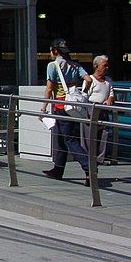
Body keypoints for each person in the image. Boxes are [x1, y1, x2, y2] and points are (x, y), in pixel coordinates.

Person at [40, 38, 93, 185]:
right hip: (73, 108)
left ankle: (89, 168)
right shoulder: (75, 65)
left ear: (55, 51)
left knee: (69, 139)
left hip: (60, 107)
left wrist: (43, 108)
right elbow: (88, 79)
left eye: (51, 50)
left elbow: (49, 89)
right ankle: (58, 169)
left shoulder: (53, 65)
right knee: (61, 138)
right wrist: (83, 93)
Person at [81, 54, 115, 163]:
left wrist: (110, 99)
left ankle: (99, 159)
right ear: (96, 66)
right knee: (89, 136)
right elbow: (84, 96)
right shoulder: (90, 80)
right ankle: (88, 159)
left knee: (103, 134)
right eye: (104, 65)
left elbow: (111, 94)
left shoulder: (108, 80)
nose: (107, 68)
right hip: (91, 110)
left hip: (103, 110)